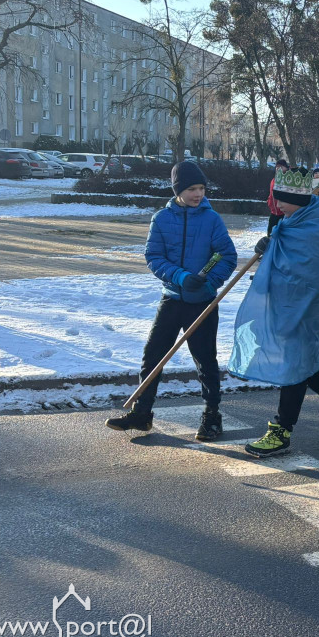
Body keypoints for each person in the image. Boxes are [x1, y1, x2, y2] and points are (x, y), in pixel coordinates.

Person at [227, 167, 319, 458]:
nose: (278, 205)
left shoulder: (314, 227)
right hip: (287, 306)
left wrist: (275, 245)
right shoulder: (289, 222)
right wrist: (269, 246)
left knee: (293, 365)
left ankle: (281, 430)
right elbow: (281, 261)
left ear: (298, 200)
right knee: (305, 363)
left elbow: (309, 272)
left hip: (307, 308)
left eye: (283, 200)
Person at [106, 161, 237, 440]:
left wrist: (210, 282)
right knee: (153, 356)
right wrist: (179, 277)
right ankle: (142, 414)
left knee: (205, 361)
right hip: (172, 299)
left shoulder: (211, 219)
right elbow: (154, 258)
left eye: (201, 188)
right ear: (178, 190)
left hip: (202, 302)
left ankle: (212, 416)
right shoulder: (162, 219)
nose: (198, 194)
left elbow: (227, 256)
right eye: (191, 189)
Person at [266, 159, 289, 236]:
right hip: (274, 211)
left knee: (282, 233)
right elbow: (271, 193)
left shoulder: (288, 179)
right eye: (277, 167)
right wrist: (269, 202)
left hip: (284, 212)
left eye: (281, 167)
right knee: (270, 233)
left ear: (286, 168)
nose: (278, 169)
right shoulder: (273, 179)